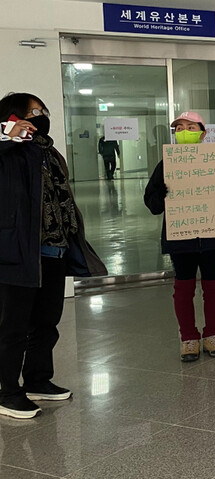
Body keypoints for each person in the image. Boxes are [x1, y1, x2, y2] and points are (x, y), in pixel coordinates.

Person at [0, 93, 106, 419]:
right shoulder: (9, 151)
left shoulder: (50, 152)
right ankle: (8, 391)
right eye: (35, 111)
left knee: (46, 322)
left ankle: (37, 379)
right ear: (15, 116)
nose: (42, 115)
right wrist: (9, 133)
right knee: (13, 326)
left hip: (54, 248)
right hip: (18, 250)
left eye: (43, 110)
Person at [144, 111, 215, 362]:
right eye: (179, 128)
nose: (184, 132)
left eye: (190, 127)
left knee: (213, 288)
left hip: (212, 236)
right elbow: (152, 203)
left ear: (203, 133)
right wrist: (163, 194)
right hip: (181, 237)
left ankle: (212, 335)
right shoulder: (166, 164)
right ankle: (188, 338)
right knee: (183, 289)